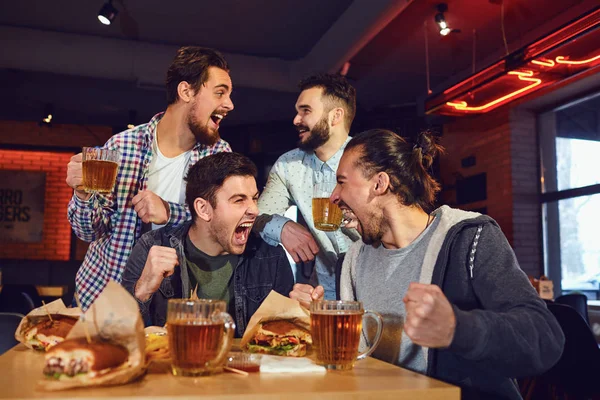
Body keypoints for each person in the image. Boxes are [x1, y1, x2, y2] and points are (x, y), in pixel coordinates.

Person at [291, 129, 565, 400]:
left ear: (379, 184)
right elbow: (357, 359)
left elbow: (544, 338)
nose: (334, 197)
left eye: (342, 182)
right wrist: (314, 320)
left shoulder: (470, 238)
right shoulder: (352, 261)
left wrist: (458, 328)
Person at [66, 46, 235, 310]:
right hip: (105, 297)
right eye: (220, 93)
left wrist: (170, 212)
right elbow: (89, 231)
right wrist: (83, 194)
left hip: (176, 302)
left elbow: (220, 229)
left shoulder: (219, 156)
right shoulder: (122, 146)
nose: (229, 104)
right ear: (186, 91)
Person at [122, 152, 294, 337]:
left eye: (254, 198)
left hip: (243, 366)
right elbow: (120, 336)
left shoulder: (271, 258)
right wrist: (143, 290)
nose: (254, 210)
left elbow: (282, 343)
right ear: (203, 209)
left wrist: (299, 315)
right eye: (239, 200)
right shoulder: (151, 247)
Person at [253, 73, 360, 300]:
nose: (296, 119)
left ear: (335, 116)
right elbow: (255, 215)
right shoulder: (289, 165)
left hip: (375, 286)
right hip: (323, 295)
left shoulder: (370, 159)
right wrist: (282, 227)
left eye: (306, 111)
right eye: (297, 111)